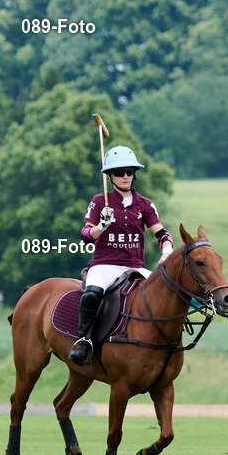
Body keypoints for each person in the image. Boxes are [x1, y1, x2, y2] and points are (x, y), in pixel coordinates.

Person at [68, 146, 174, 366]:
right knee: (92, 294)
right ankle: (83, 340)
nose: (125, 176)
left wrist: (167, 251)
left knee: (164, 294)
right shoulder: (99, 201)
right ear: (109, 176)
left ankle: (166, 342)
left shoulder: (144, 204)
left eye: (129, 171)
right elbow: (86, 235)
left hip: (135, 266)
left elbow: (162, 233)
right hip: (105, 264)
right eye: (119, 172)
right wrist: (101, 226)